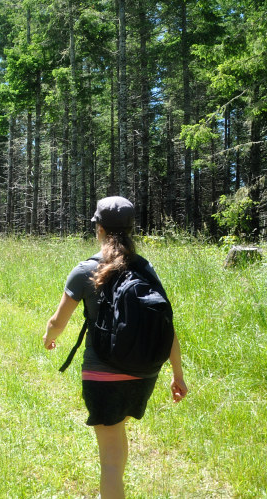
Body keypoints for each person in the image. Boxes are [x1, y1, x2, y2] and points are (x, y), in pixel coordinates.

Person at [42, 196, 188, 499]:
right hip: (143, 375)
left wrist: (49, 337)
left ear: (99, 228)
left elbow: (58, 320)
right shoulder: (146, 269)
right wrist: (177, 373)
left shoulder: (85, 270)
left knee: (108, 459)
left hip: (102, 377)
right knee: (116, 434)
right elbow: (166, 323)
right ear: (131, 229)